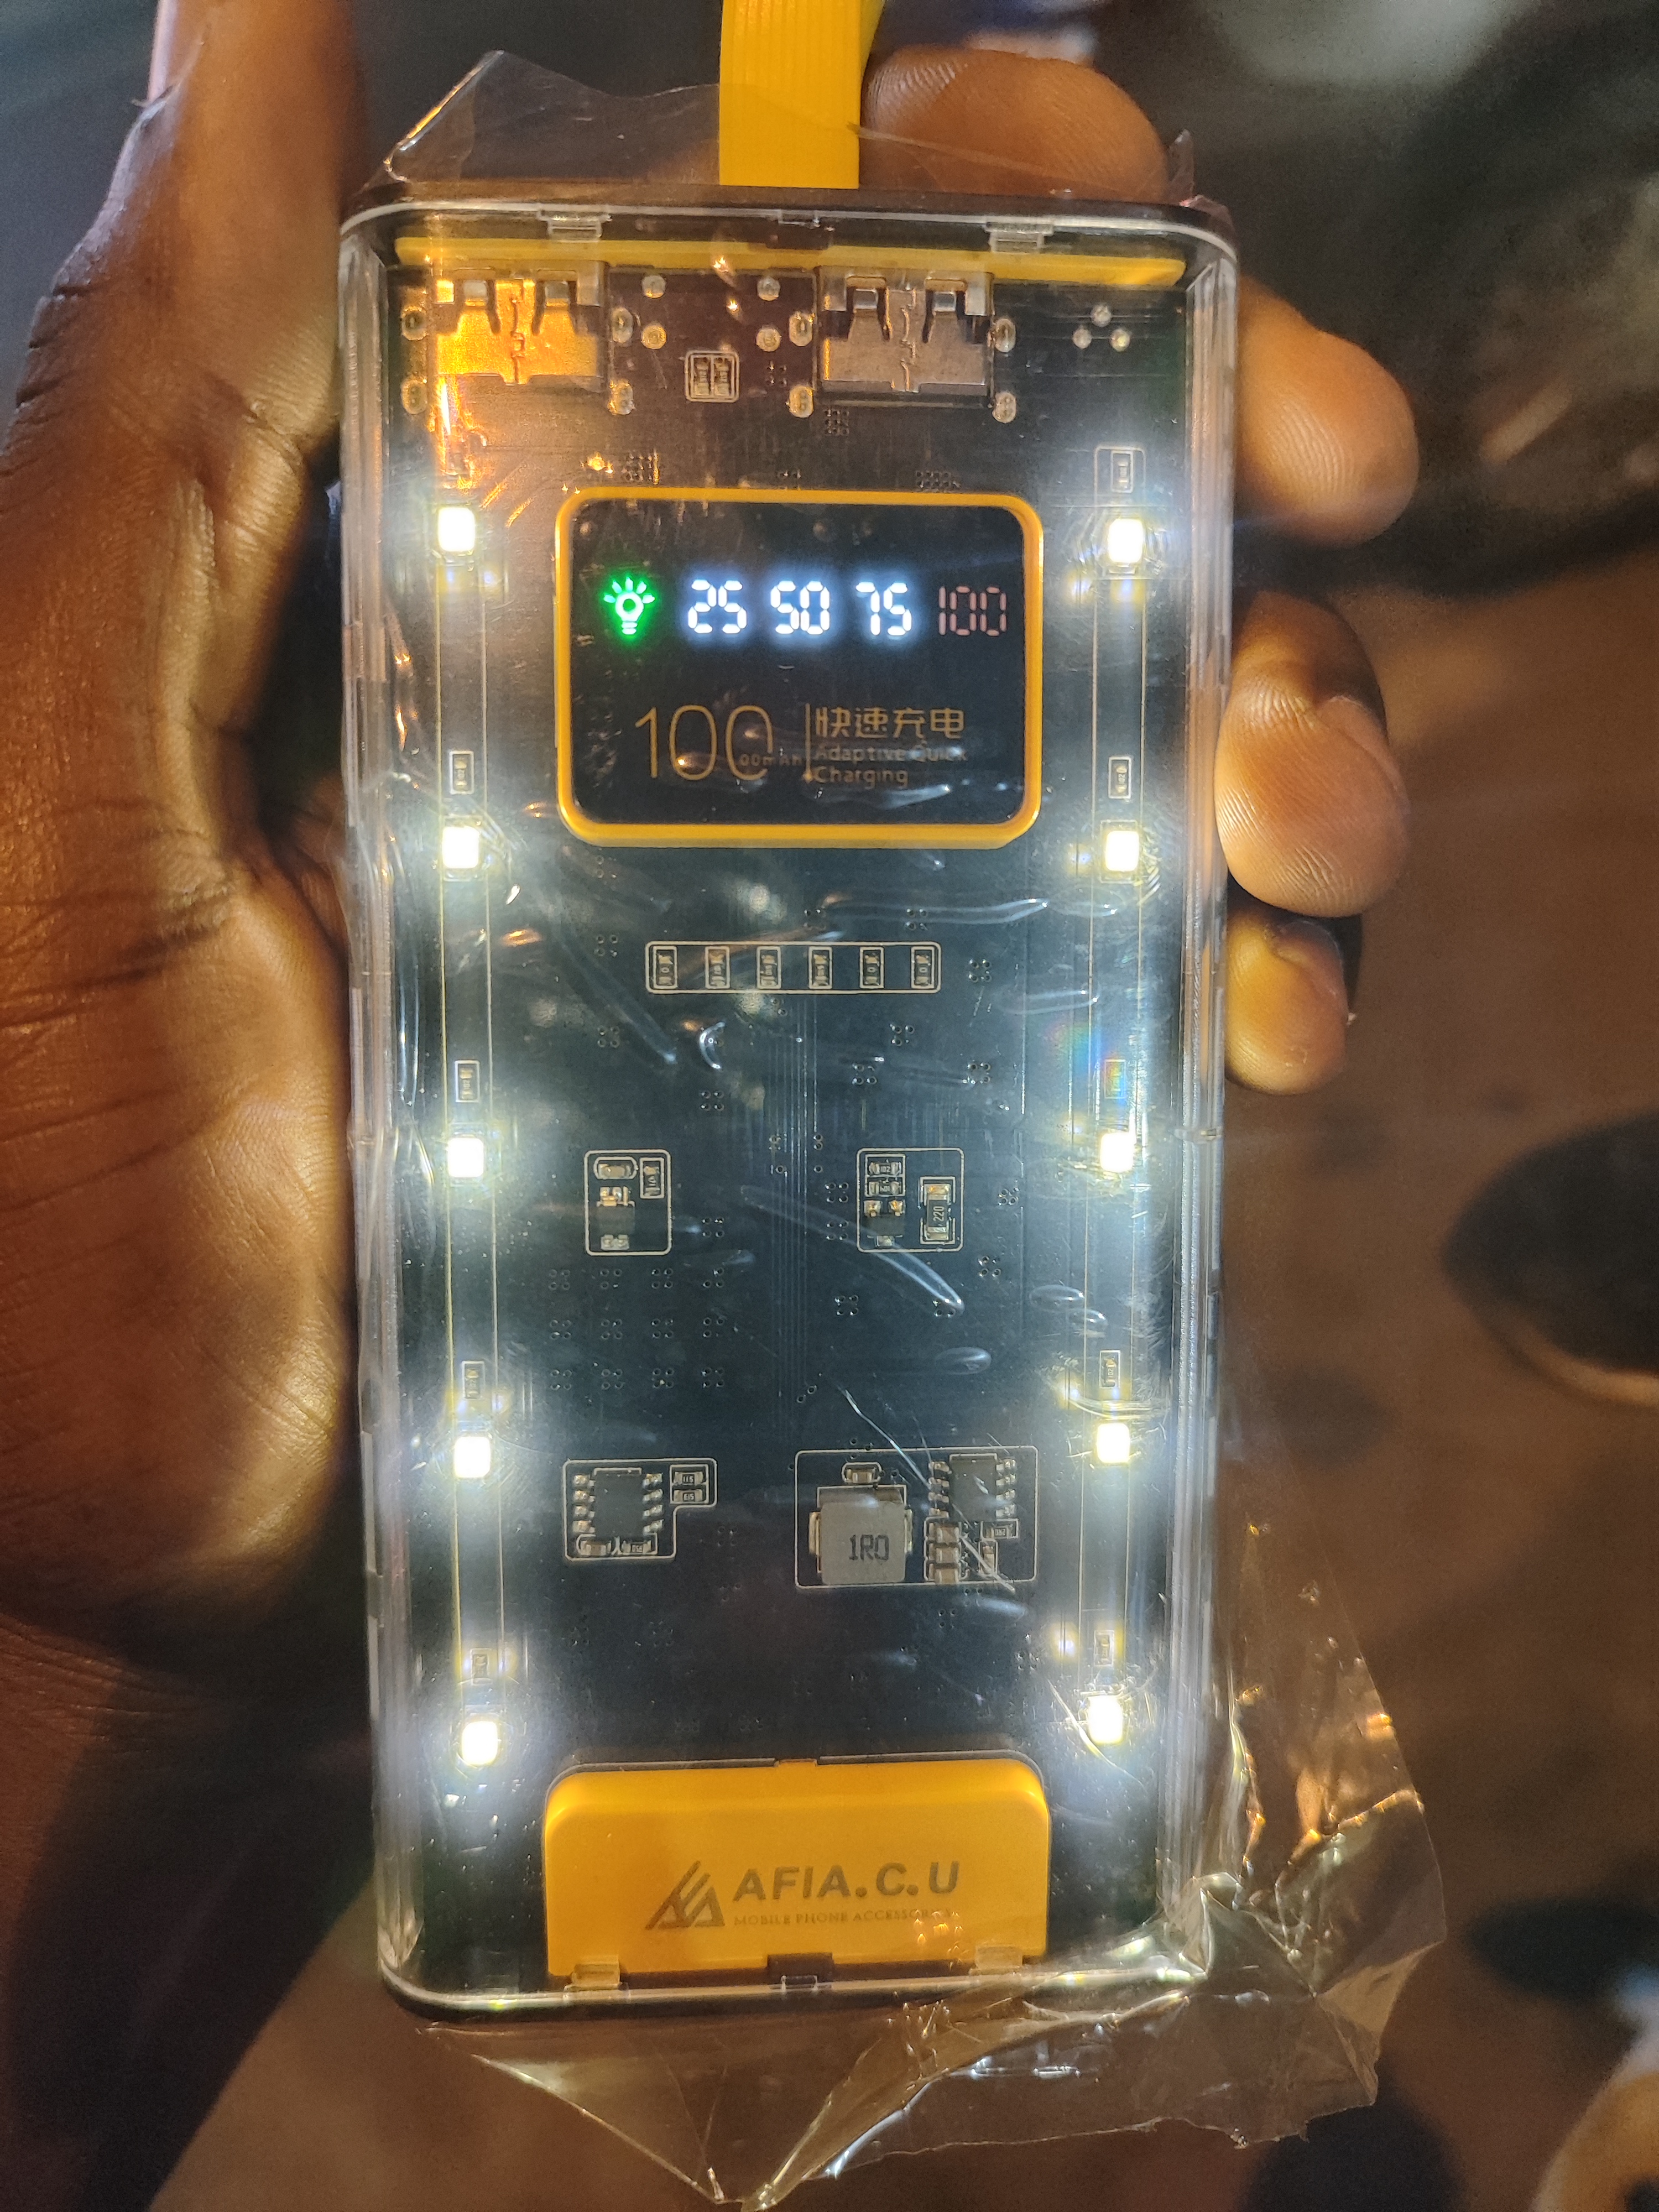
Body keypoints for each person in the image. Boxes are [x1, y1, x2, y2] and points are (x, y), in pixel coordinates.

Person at [0, 1, 1416, 2203]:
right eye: (685, 617)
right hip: (750, 1799)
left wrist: (67, 1672)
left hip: (607, 1802)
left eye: (909, 617)